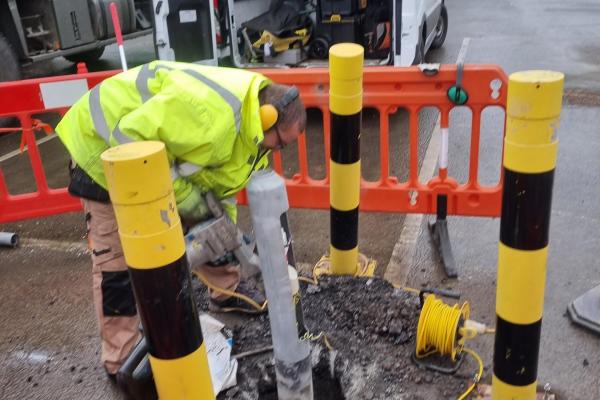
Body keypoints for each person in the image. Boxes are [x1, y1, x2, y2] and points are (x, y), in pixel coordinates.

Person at [55, 60, 306, 379]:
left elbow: (219, 187)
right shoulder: (209, 115)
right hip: (103, 147)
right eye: (281, 142)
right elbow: (129, 138)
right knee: (114, 262)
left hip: (153, 156)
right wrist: (188, 201)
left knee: (208, 221)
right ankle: (121, 354)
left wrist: (222, 229)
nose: (280, 150)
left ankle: (226, 290)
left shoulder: (251, 129)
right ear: (267, 118)